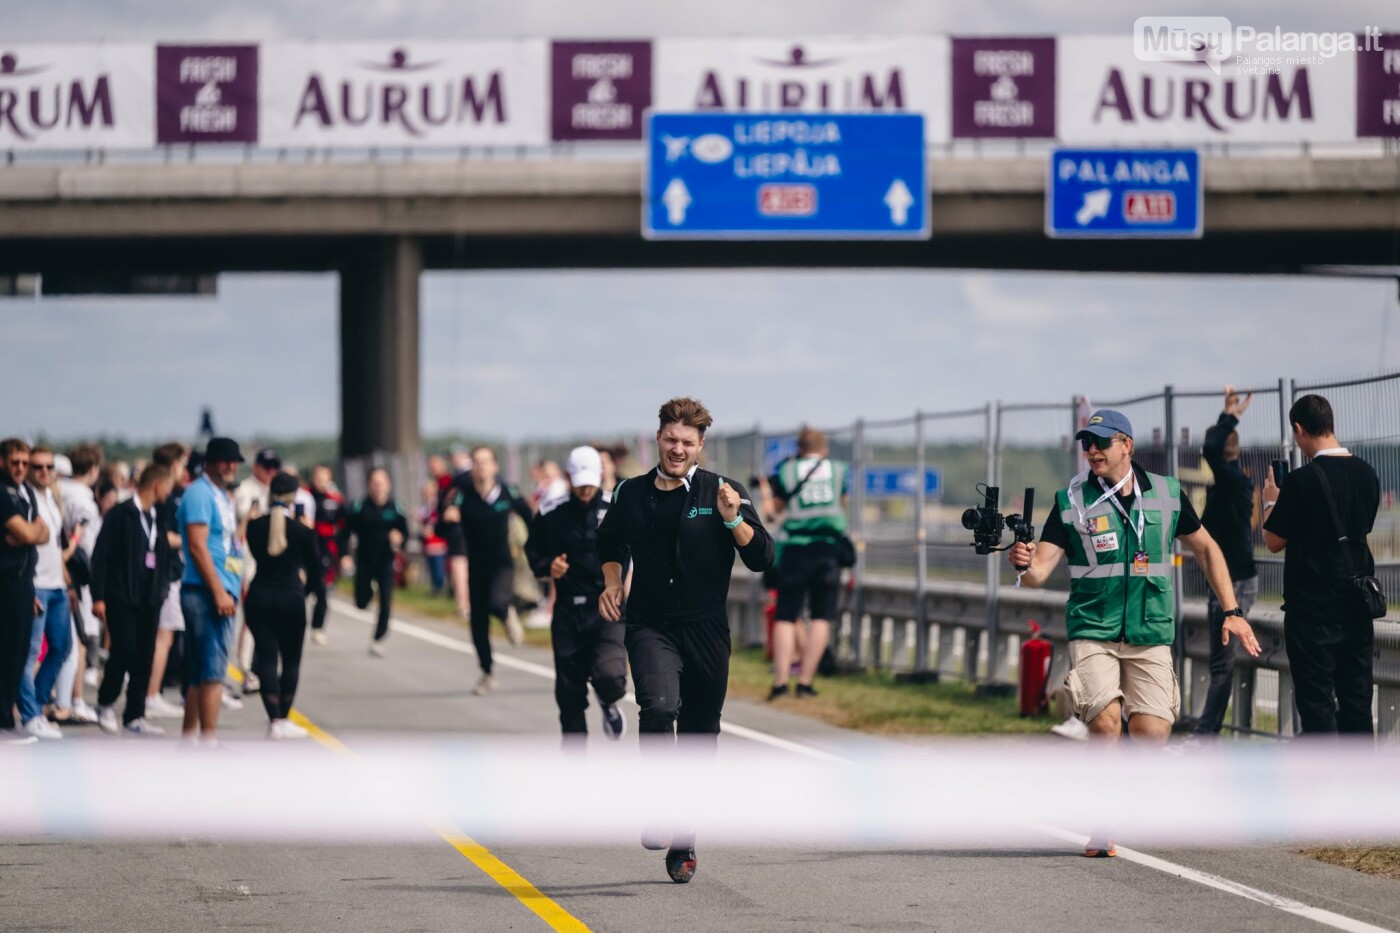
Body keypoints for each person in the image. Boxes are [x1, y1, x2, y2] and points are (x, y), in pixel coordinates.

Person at [1007, 409, 1259, 858]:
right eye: (1087, 442)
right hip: (1093, 629)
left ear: (1127, 445)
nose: (1092, 450)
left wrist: (1232, 610)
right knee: (1105, 725)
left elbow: (1206, 548)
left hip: (1150, 631)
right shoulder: (1071, 501)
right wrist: (1024, 565)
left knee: (1150, 735)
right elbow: (1041, 571)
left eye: (1102, 442)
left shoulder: (1166, 493)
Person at [597, 398, 774, 884]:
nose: (678, 449)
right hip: (651, 625)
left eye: (687, 443)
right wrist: (613, 582)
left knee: (700, 733)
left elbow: (763, 557)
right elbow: (610, 543)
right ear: (658, 438)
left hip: (707, 629)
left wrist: (735, 520)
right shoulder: (630, 493)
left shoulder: (724, 491)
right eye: (671, 439)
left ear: (701, 446)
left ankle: (684, 839)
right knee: (657, 705)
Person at [1262, 394, 1381, 736]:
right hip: (1357, 605)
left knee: (1318, 706)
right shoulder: (1367, 473)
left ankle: (1325, 782)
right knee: (1357, 701)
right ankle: (1360, 781)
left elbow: (1273, 541)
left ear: (1299, 430)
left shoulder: (1301, 481)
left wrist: (1271, 500)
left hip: (1312, 611)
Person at [526, 446, 627, 747]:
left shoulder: (616, 508)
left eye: (590, 482)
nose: (585, 489)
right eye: (578, 482)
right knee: (569, 698)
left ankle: (608, 702)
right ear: (569, 477)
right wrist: (549, 567)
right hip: (568, 612)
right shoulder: (550, 511)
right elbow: (533, 553)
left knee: (611, 676)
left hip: (607, 608)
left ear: (600, 476)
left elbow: (638, 551)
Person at [764, 427, 851, 700]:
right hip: (827, 550)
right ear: (824, 449)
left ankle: (780, 682)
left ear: (799, 449)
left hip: (794, 549)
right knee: (821, 616)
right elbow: (842, 504)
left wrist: (767, 492)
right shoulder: (839, 470)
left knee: (785, 616)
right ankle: (805, 682)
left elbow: (774, 512)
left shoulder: (786, 471)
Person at [1193, 387, 1261, 737]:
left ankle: (1204, 737)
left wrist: (1231, 417)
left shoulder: (1233, 482)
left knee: (1222, 666)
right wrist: (1226, 416)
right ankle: (1205, 735)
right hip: (1228, 578)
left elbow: (1210, 447)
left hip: (1233, 581)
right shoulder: (1229, 485)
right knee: (1221, 665)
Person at [91, 463, 175, 736]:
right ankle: (105, 702)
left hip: (150, 597)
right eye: (168, 487)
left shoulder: (157, 517)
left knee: (145, 656)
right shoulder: (121, 514)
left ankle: (134, 715)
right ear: (157, 485)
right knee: (124, 651)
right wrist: (99, 596)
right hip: (121, 596)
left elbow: (162, 553)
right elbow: (101, 556)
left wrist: (164, 584)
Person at [444, 446, 533, 694]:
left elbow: (530, 517)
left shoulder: (507, 492)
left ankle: (507, 614)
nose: (481, 466)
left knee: (497, 601)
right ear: (471, 467)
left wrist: (536, 547)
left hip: (502, 562)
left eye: (486, 462)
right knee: (478, 624)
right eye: (476, 462)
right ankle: (487, 671)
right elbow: (441, 525)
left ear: (495, 466)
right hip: (476, 565)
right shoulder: (463, 495)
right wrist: (447, 517)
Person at [245, 473, 323, 739]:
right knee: (291, 661)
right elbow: (316, 570)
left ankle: (274, 720)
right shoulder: (302, 531)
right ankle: (285, 716)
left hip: (260, 595)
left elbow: (255, 553)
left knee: (266, 658)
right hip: (291, 597)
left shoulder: (254, 527)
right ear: (294, 498)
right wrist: (305, 591)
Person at [178, 437, 245, 746]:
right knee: (212, 673)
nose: (231, 466)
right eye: (225, 461)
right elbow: (196, 544)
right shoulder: (200, 494)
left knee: (197, 672)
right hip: (206, 592)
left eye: (234, 461)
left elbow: (226, 544)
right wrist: (219, 591)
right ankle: (209, 742)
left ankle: (190, 739)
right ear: (209, 462)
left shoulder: (220, 495)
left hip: (215, 589)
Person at [17, 445, 73, 739]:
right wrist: (28, 588)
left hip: (58, 586)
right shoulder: (25, 498)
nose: (44, 472)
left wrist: (68, 583)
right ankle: (30, 714)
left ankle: (36, 706)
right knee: (28, 654)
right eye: (38, 467)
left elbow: (57, 546)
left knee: (62, 648)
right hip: (36, 584)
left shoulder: (52, 497)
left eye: (49, 467)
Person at [0, 439, 49, 744]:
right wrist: (31, 534)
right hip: (5, 583)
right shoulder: (3, 495)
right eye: (14, 461)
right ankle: (4, 723)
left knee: (19, 655)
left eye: (24, 462)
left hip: (23, 583)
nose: (20, 468)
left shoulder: (26, 492)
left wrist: (30, 535)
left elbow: (41, 531)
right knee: (6, 654)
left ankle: (8, 717)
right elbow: (32, 531)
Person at [55, 442, 104, 725]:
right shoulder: (84, 499)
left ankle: (67, 698)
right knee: (81, 641)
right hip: (81, 575)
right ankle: (75, 699)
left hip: (65, 570)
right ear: (94, 468)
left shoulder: (62, 491)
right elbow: (87, 542)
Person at [338, 468, 408, 657]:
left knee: (386, 601)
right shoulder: (359, 507)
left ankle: (378, 638)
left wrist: (399, 538)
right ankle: (367, 593)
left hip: (386, 560)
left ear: (388, 485)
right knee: (361, 602)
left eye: (382, 483)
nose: (378, 487)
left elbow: (405, 532)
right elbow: (344, 533)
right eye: (375, 483)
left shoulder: (395, 507)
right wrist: (344, 555)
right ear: (369, 485)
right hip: (364, 559)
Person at [145, 442, 190, 720]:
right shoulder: (167, 500)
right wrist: (191, 540)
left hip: (167, 572)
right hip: (167, 574)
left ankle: (152, 692)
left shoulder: (167, 497)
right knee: (164, 637)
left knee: (164, 636)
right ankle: (152, 693)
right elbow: (162, 537)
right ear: (174, 465)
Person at [233, 447, 280, 695]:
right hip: (248, 564)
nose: (271, 472)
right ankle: (246, 669)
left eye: (274, 467)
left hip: (271, 565)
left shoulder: (275, 490)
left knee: (270, 619)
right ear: (256, 467)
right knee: (252, 618)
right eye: (267, 467)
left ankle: (262, 666)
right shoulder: (245, 491)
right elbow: (244, 522)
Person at [307, 464, 345, 646]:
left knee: (322, 589)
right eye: (318, 477)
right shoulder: (305, 496)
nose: (321, 481)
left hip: (325, 549)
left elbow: (343, 527)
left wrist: (343, 553)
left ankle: (317, 627)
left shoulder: (335, 500)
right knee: (302, 588)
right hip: (306, 546)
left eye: (325, 477)